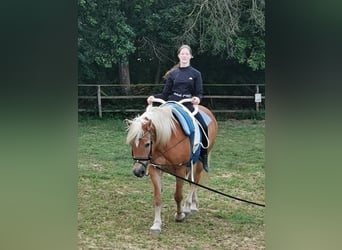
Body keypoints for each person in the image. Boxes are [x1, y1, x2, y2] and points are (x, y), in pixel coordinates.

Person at [147, 44, 209, 172]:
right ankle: (151, 156)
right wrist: (153, 97)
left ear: (191, 56)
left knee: (203, 124)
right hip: (172, 104)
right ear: (179, 56)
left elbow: (199, 92)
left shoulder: (196, 74)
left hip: (187, 104)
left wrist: (197, 99)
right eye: (182, 53)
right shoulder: (173, 74)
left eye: (187, 54)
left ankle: (203, 156)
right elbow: (165, 94)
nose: (185, 56)